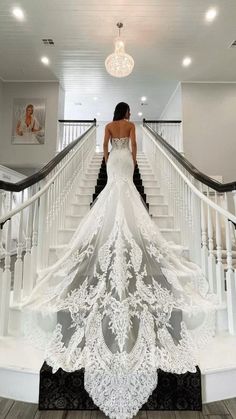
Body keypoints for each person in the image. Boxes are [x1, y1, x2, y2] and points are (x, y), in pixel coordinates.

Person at [21, 102, 216, 419]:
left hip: (115, 165)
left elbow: (105, 152)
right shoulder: (131, 127)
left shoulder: (110, 129)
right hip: (126, 164)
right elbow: (134, 151)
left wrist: (113, 161)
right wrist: (132, 164)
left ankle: (110, 230)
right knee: (128, 195)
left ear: (114, 114)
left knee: (112, 194)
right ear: (128, 113)